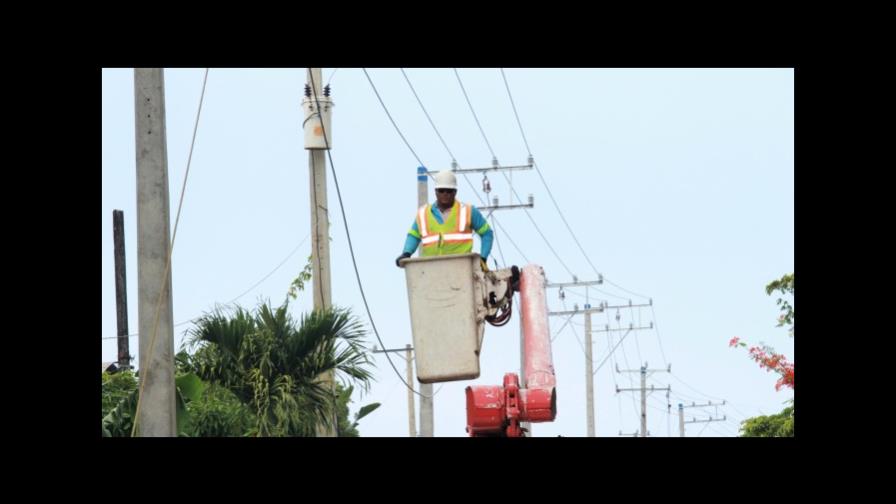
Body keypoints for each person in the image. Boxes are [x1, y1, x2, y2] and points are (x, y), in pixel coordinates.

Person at [396, 170, 493, 268]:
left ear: (455, 192)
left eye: (449, 191)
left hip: (461, 270)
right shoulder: (423, 214)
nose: (445, 194)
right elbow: (414, 235)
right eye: (441, 190)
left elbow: (487, 233)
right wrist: (406, 253)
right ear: (435, 192)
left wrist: (483, 258)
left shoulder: (468, 211)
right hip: (431, 270)